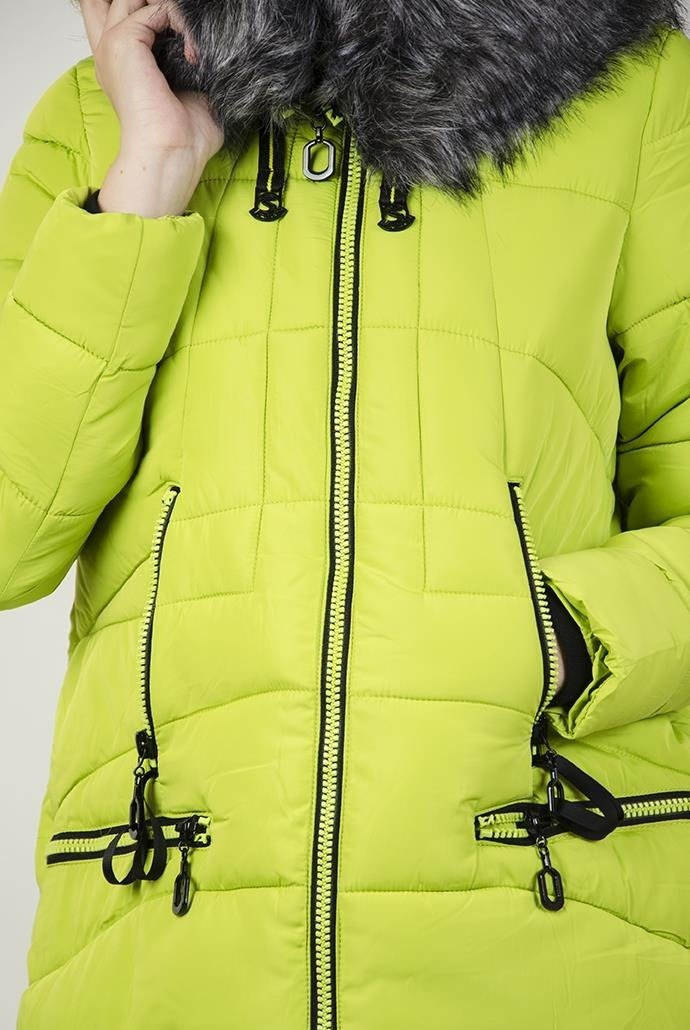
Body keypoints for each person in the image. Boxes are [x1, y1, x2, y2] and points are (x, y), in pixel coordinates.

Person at [4, 0, 690, 1025]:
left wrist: (571, 638)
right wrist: (149, 175)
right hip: (166, 940)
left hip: (548, 921)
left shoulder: (635, 93)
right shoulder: (99, 114)